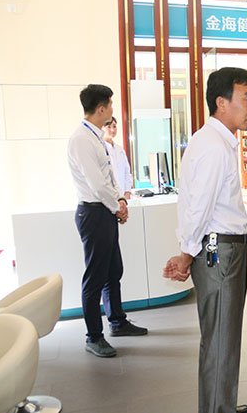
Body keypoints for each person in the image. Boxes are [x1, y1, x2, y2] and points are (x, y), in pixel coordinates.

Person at [162, 67, 247, 413]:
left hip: (220, 246)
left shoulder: (213, 140)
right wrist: (186, 253)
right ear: (222, 102)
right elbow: (199, 207)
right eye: (246, 99)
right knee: (220, 339)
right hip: (219, 249)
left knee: (221, 336)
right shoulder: (215, 146)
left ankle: (220, 403)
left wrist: (188, 250)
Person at [68, 84, 147, 359]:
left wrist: (120, 201)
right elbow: (97, 184)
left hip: (105, 211)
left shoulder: (95, 136)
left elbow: (109, 177)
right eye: (111, 104)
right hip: (94, 213)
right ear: (101, 109)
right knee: (95, 277)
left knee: (113, 271)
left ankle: (117, 321)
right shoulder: (81, 139)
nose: (113, 109)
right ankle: (93, 336)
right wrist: (117, 207)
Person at [103, 116, 133, 199]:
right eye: (109, 127)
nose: (112, 130)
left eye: (114, 126)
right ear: (102, 128)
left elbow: (127, 172)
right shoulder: (100, 149)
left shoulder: (119, 149)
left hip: (123, 196)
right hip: (108, 197)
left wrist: (127, 191)